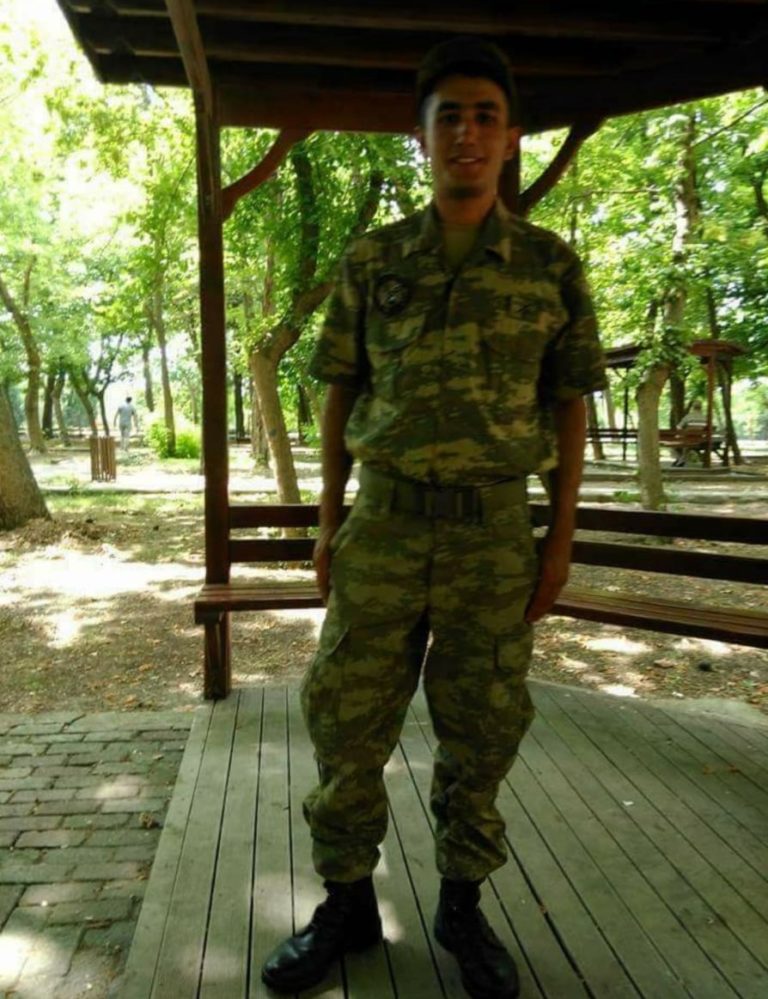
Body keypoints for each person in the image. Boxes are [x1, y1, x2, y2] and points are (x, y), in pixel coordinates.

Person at [261, 38, 607, 999]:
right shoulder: (374, 260)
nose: (467, 132)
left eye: (485, 116)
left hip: (494, 538)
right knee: (346, 719)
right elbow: (340, 390)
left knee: (482, 726)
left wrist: (560, 538)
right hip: (384, 528)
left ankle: (462, 905)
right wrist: (328, 522)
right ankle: (345, 903)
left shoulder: (549, 265)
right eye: (448, 115)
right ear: (420, 136)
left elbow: (569, 403)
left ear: (510, 139)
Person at [673, 399, 708, 466]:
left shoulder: (688, 416)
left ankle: (680, 459)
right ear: (701, 407)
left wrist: (682, 433)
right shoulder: (705, 418)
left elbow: (679, 426)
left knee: (677, 444)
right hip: (700, 439)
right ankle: (681, 460)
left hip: (688, 438)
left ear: (692, 407)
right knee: (687, 445)